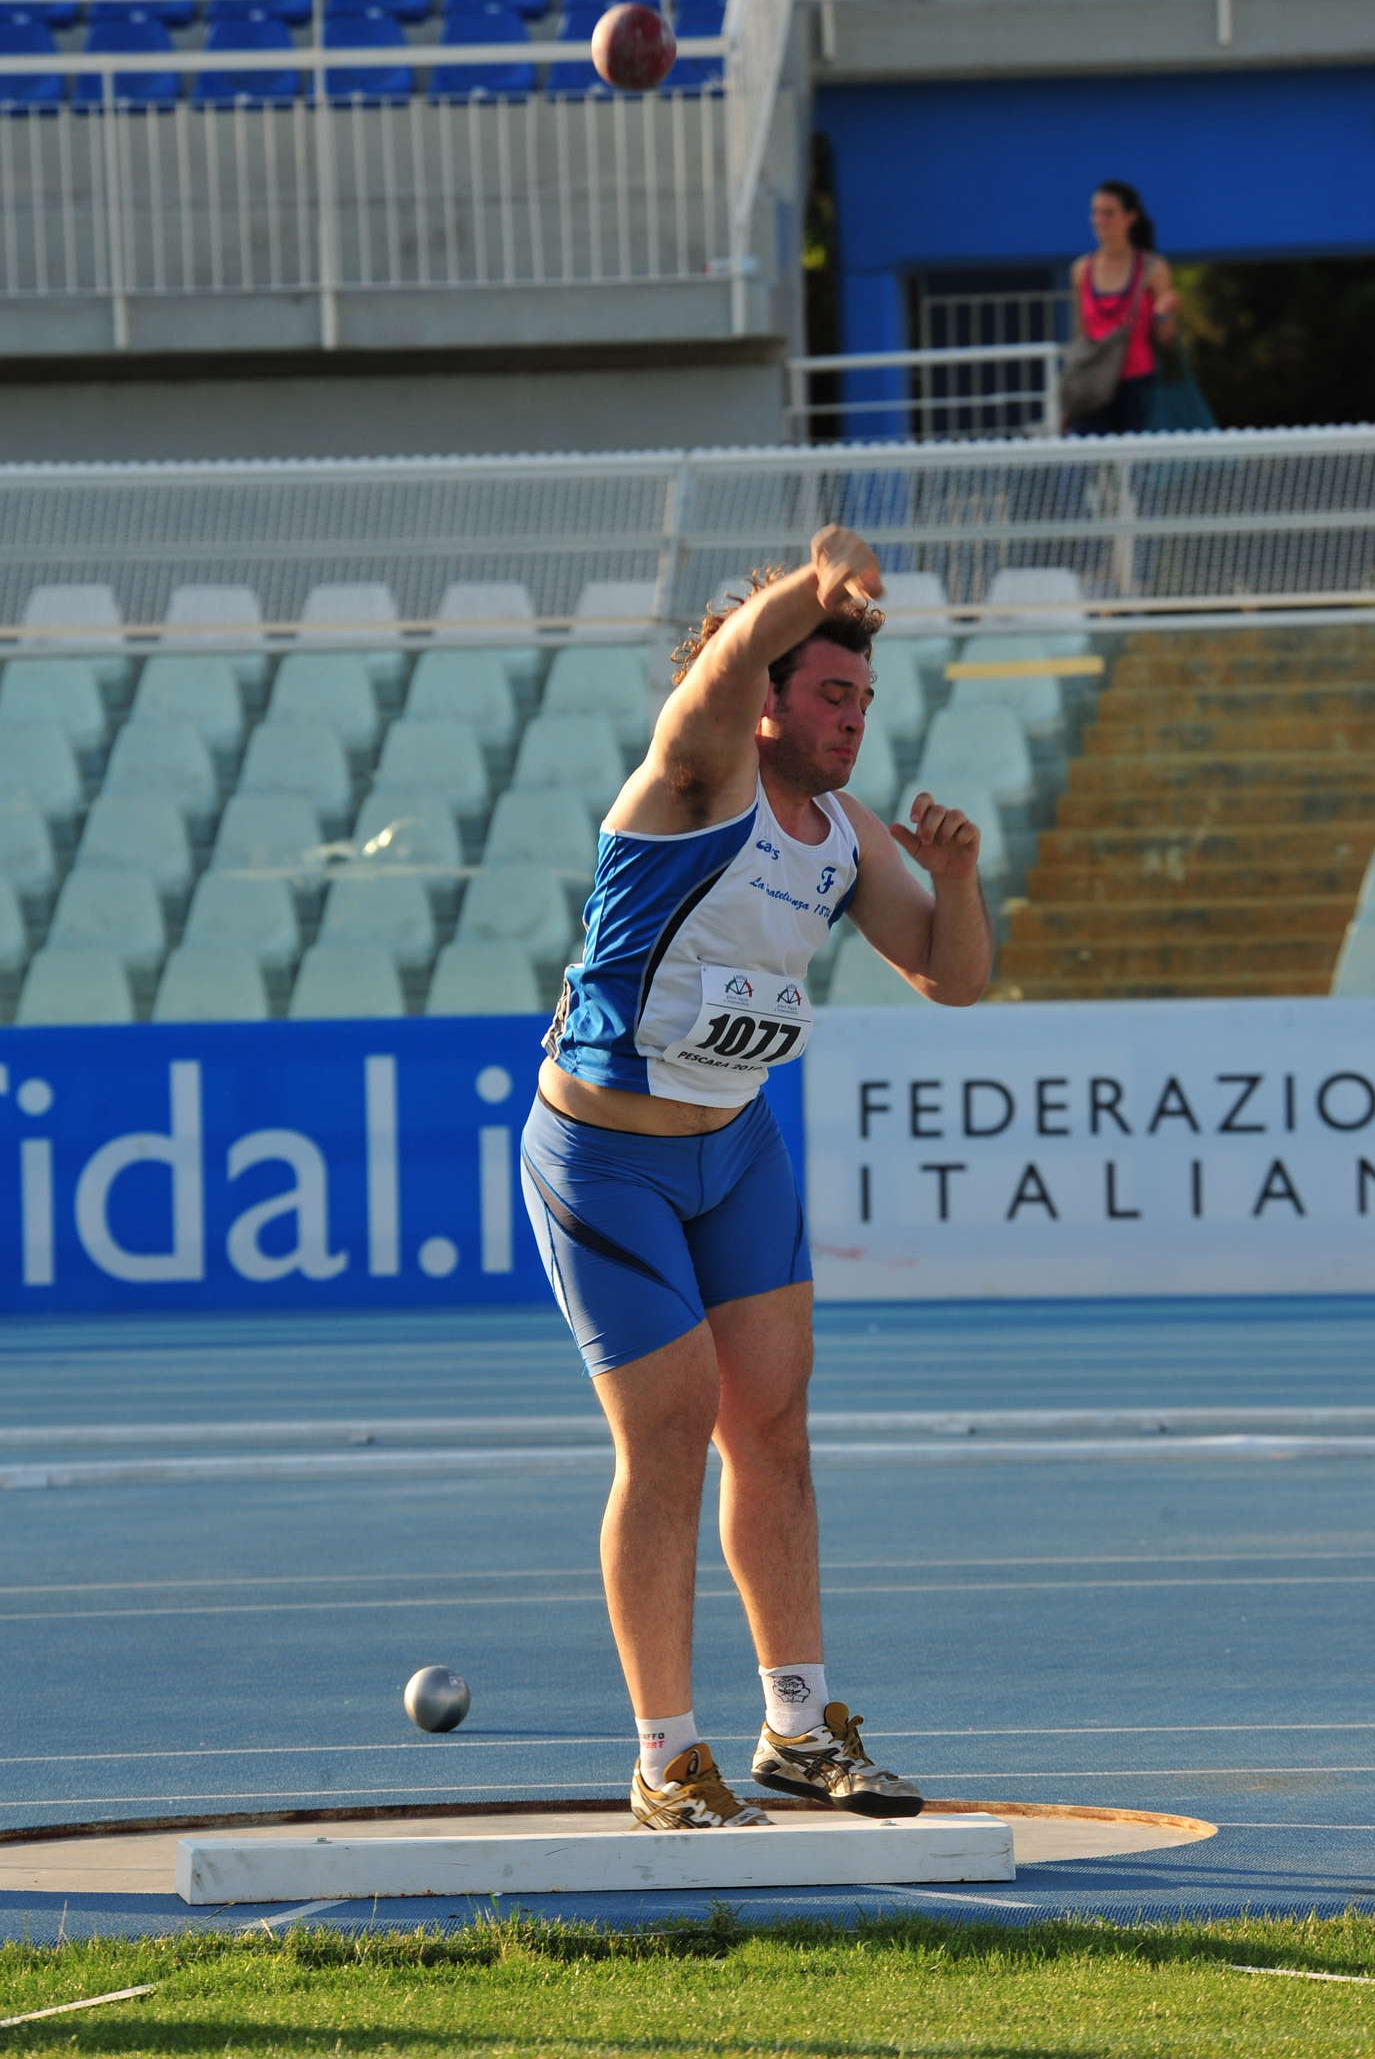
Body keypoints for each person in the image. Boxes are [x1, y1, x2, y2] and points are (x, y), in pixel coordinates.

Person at [519, 525, 993, 1830]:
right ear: (767, 698)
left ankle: (798, 1727)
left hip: (736, 1148)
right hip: (605, 1160)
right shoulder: (690, 783)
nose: (854, 719)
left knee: (773, 1431)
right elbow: (720, 676)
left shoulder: (842, 833)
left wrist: (956, 880)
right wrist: (808, 588)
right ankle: (667, 1757)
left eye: (865, 698)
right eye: (830, 691)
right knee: (667, 1436)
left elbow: (953, 978)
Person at [1067, 180, 1180, 435]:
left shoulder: (1153, 268)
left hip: (1137, 384)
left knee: (1136, 455)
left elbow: (1166, 337)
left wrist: (1164, 313)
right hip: (1092, 383)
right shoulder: (1081, 269)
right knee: (1089, 453)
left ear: (1130, 217)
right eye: (1095, 212)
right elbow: (1081, 333)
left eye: (1109, 213)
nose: (1100, 220)